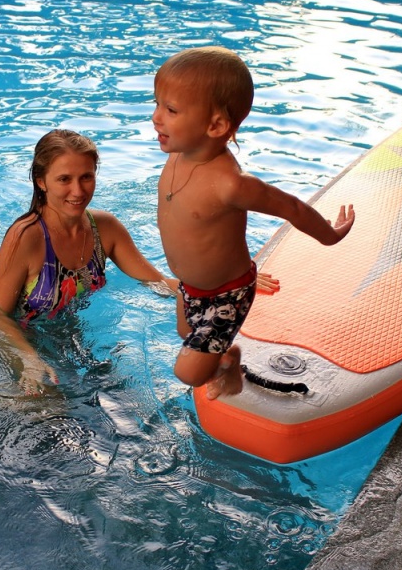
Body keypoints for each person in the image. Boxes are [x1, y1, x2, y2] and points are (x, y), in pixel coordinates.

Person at [152, 46, 355, 400]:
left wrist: (330, 236)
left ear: (215, 126)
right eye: (156, 104)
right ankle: (226, 358)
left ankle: (230, 365)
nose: (156, 118)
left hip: (227, 293)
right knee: (186, 333)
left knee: (187, 372)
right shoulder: (180, 154)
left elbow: (291, 207)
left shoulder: (231, 184)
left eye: (170, 110)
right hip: (191, 287)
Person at [0, 129, 181, 394]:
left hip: (66, 331)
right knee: (53, 409)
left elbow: (156, 282)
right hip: (18, 340)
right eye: (64, 179)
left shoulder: (105, 228)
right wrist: (29, 359)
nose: (78, 191)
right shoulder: (26, 237)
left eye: (86, 177)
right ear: (41, 181)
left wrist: (217, 295)